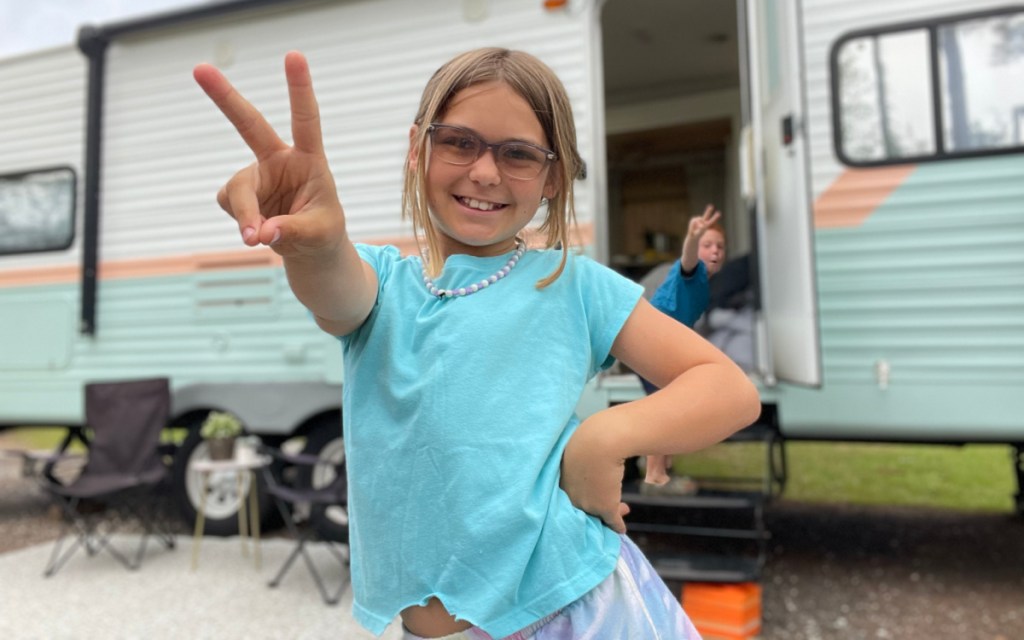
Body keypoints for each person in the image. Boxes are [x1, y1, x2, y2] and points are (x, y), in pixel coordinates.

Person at [194, 48, 759, 640]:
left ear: (554, 175)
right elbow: (333, 288)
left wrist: (601, 440)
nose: (486, 172)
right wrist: (313, 243)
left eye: (519, 154)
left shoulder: (574, 285)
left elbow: (727, 389)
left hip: (575, 610)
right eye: (459, 142)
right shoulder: (381, 285)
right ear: (418, 148)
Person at [640, 206, 727, 488]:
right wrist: (692, 238)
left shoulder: (705, 282)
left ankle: (658, 466)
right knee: (666, 406)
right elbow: (688, 259)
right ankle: (654, 472)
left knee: (669, 404)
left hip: (661, 342)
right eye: (707, 245)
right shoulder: (691, 270)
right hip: (652, 341)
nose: (715, 251)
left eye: (720, 247)